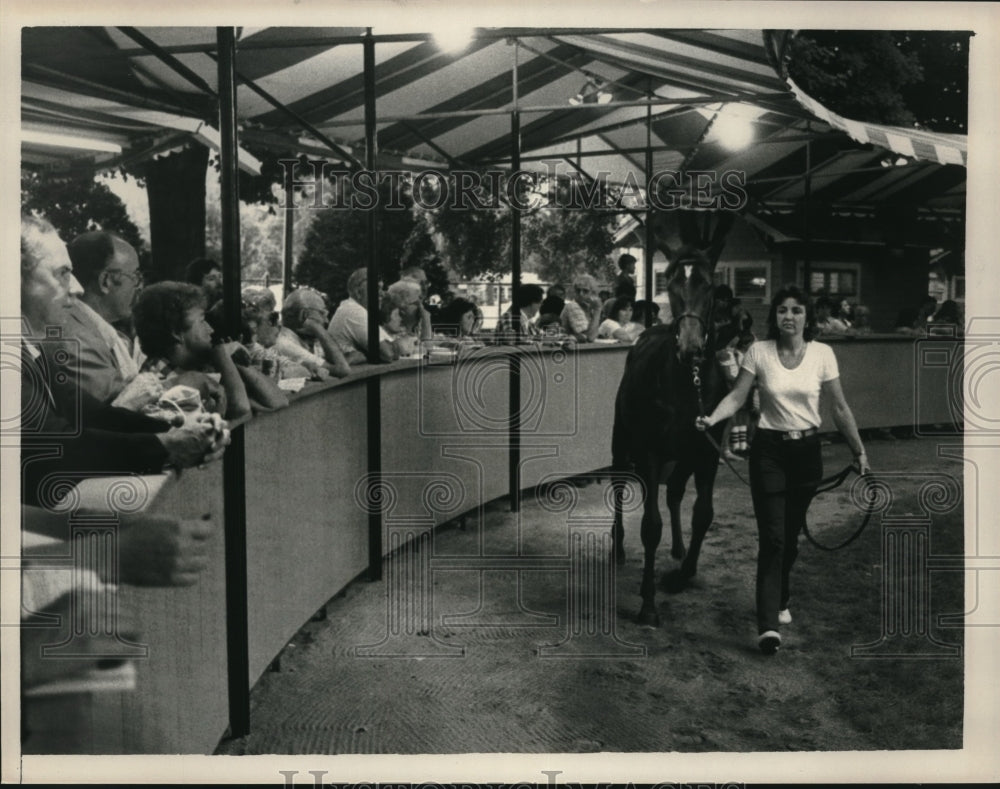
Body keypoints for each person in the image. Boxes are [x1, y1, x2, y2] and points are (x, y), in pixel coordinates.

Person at [696, 284, 871, 655]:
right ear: (774, 317)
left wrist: (859, 451)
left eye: (796, 310)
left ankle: (781, 593)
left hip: (807, 453)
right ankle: (768, 627)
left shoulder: (823, 354)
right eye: (782, 310)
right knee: (773, 537)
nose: (788, 316)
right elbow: (738, 396)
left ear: (807, 318)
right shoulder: (758, 352)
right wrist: (712, 417)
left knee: (789, 538)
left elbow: (839, 408)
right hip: (770, 452)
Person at [19, 216, 226, 507]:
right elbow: (57, 443)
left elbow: (93, 415)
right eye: (62, 273)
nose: (76, 287)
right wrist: (167, 445)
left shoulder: (30, 349)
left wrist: (174, 430)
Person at [134, 282, 289, 419]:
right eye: (201, 321)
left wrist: (238, 363)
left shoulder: (197, 365)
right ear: (176, 332)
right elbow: (240, 408)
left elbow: (278, 401)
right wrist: (222, 355)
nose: (210, 329)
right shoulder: (160, 378)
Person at [48, 231, 147, 407]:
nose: (140, 286)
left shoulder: (99, 331)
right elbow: (120, 412)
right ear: (105, 282)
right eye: (135, 276)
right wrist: (179, 384)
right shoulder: (77, 339)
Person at [277, 287, 352, 377]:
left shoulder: (309, 339)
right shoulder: (286, 344)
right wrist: (318, 329)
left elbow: (355, 355)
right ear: (304, 315)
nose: (326, 320)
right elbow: (343, 370)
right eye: (322, 313)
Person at [328, 268, 397, 363]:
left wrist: (363, 354)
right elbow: (388, 354)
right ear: (358, 293)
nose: (382, 294)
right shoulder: (353, 311)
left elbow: (394, 351)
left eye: (382, 288)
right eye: (377, 288)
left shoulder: (356, 309)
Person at [560, 273, 604, 343]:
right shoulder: (572, 306)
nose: (581, 294)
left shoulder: (589, 308)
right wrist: (597, 310)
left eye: (585, 291)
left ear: (592, 293)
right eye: (578, 290)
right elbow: (589, 337)